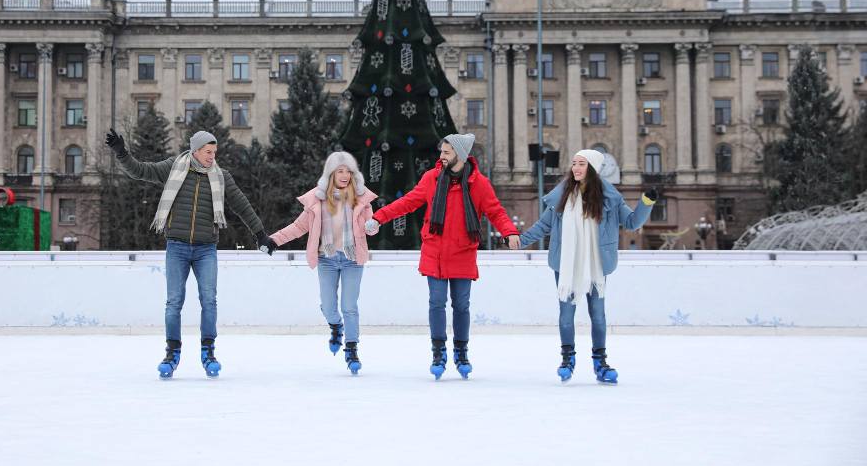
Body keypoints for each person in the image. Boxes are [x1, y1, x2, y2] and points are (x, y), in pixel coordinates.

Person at [106, 127, 277, 379]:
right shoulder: (173, 167)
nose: (212, 156)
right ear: (196, 150)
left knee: (209, 300)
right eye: (208, 152)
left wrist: (260, 234)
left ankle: (208, 351)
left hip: (206, 248)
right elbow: (140, 171)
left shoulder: (221, 177)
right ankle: (172, 352)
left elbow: (241, 204)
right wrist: (122, 153)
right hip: (176, 246)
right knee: (174, 302)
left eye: (214, 152)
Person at [367, 134, 519, 380]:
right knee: (436, 303)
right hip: (434, 251)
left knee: (461, 306)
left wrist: (510, 231)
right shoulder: (432, 179)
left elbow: (495, 211)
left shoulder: (479, 183)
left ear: (459, 154)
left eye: (447, 152)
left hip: (463, 251)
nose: (441, 156)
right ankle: (438, 352)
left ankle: (461, 352)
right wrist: (379, 217)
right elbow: (408, 202)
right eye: (442, 152)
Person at [516, 150, 657, 385]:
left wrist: (646, 202)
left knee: (598, 315)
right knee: (566, 314)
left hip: (595, 262)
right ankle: (567, 359)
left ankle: (600, 362)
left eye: (581, 164)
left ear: (592, 168)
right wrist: (521, 240)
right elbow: (543, 225)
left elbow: (632, 222)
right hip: (567, 261)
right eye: (574, 163)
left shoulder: (610, 198)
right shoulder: (561, 196)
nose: (575, 168)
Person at [270, 152, 378, 375]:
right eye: (340, 171)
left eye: (348, 171)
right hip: (326, 259)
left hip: (352, 259)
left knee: (349, 306)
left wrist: (372, 226)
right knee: (329, 307)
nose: (345, 175)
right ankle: (336, 326)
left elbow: (373, 224)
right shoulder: (317, 201)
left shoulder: (361, 198)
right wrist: (273, 240)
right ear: (331, 174)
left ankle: (352, 349)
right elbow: (299, 227)